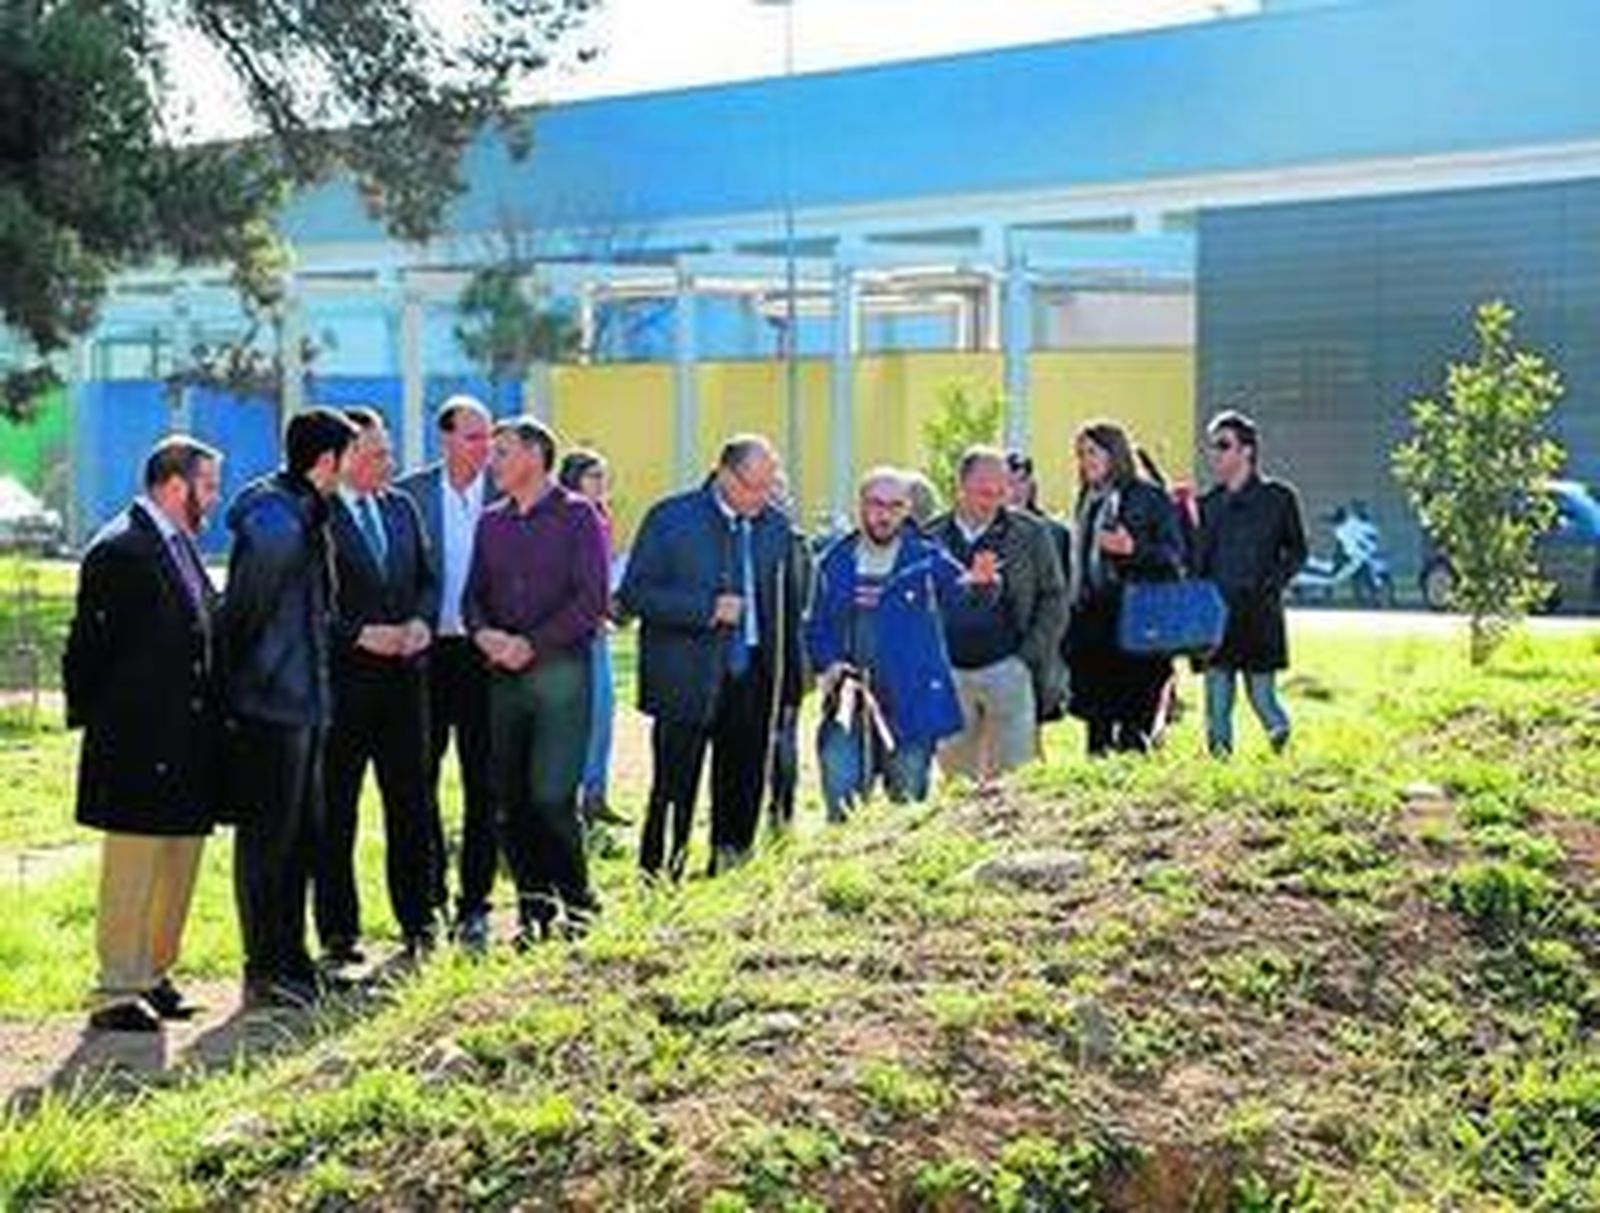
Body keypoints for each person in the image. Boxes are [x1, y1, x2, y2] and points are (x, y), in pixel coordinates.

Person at [64, 437, 223, 1032]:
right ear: (175, 485)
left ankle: (154, 974)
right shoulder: (120, 549)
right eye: (208, 485)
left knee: (178, 861)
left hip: (188, 735)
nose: (214, 497)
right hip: (138, 737)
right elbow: (89, 651)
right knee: (133, 865)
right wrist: (110, 728)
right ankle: (116, 989)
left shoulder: (179, 544)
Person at [619, 435, 806, 879]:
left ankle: (731, 864)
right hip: (686, 675)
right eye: (752, 487)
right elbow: (635, 595)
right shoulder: (671, 518)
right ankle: (662, 872)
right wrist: (706, 608)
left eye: (769, 486)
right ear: (723, 474)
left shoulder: (777, 528)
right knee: (674, 783)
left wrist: (791, 684)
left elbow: (790, 609)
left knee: (743, 778)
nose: (762, 497)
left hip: (754, 674)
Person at [222, 407, 358, 1008]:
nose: (351, 468)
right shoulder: (276, 519)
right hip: (273, 704)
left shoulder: (305, 509)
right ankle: (265, 968)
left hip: (305, 703)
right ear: (327, 459)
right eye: (348, 455)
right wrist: (242, 690)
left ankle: (293, 960)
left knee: (302, 838)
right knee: (269, 842)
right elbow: (244, 614)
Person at [465, 417, 608, 943]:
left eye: (502, 452)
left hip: (561, 676)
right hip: (503, 678)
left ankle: (579, 904)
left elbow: (591, 599)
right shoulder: (492, 522)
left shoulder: (577, 515)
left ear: (534, 455)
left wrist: (533, 643)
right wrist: (484, 634)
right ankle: (534, 913)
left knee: (551, 796)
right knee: (512, 799)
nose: (492, 462)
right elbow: (473, 595)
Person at [315, 408, 438, 965]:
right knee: (336, 810)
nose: (389, 463)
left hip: (405, 686)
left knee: (411, 804)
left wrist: (422, 623)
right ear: (343, 459)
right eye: (376, 454)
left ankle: (419, 921)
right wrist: (358, 635)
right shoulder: (316, 516)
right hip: (342, 689)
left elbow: (428, 581)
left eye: (388, 452)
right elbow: (308, 605)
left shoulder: (401, 508)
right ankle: (339, 932)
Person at [806, 468, 993, 821]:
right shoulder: (834, 561)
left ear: (907, 509)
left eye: (895, 506)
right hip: (849, 699)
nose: (885, 514)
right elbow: (817, 625)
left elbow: (966, 600)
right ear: (861, 505)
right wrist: (828, 662)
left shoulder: (927, 557)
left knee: (907, 809)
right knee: (842, 802)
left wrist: (983, 585)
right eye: (877, 504)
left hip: (911, 702)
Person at [396, 395, 498, 952]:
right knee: (420, 779)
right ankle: (429, 896)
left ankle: (475, 903)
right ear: (446, 439)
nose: (485, 447)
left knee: (485, 782)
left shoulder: (504, 493)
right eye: (473, 437)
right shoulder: (410, 496)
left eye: (489, 437)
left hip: (485, 655)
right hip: (426, 656)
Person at [927, 447, 1068, 781]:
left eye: (1000, 491)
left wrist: (1027, 656)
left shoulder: (1031, 533)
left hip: (1009, 668)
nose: (992, 501)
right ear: (959, 486)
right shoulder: (931, 537)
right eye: (983, 491)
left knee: (1017, 776)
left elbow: (1054, 597)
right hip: (950, 672)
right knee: (957, 778)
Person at [1064, 421, 1186, 756]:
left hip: (1138, 618)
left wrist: (1133, 550)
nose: (1085, 461)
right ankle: (1097, 778)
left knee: (1135, 720)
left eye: (1093, 452)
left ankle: (1132, 776)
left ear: (1114, 453)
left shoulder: (1149, 496)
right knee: (1096, 718)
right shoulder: (1087, 498)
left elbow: (1174, 556)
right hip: (1092, 619)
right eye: (1080, 454)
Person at [1193, 410, 1309, 757]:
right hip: (1217, 617)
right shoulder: (1208, 504)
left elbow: (1297, 551)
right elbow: (1196, 560)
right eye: (1212, 446)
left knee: (1262, 699)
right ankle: (1219, 767)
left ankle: (1282, 751)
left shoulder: (1279, 498)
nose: (1214, 453)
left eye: (1223, 445)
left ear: (1247, 450)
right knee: (1217, 704)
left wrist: (1272, 584)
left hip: (1260, 614)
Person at [556, 448, 630, 830]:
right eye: (594, 476)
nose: (601, 484)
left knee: (604, 711)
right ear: (574, 479)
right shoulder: (562, 516)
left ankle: (595, 795)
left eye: (604, 477)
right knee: (575, 716)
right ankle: (570, 800)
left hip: (598, 629)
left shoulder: (601, 517)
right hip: (570, 633)